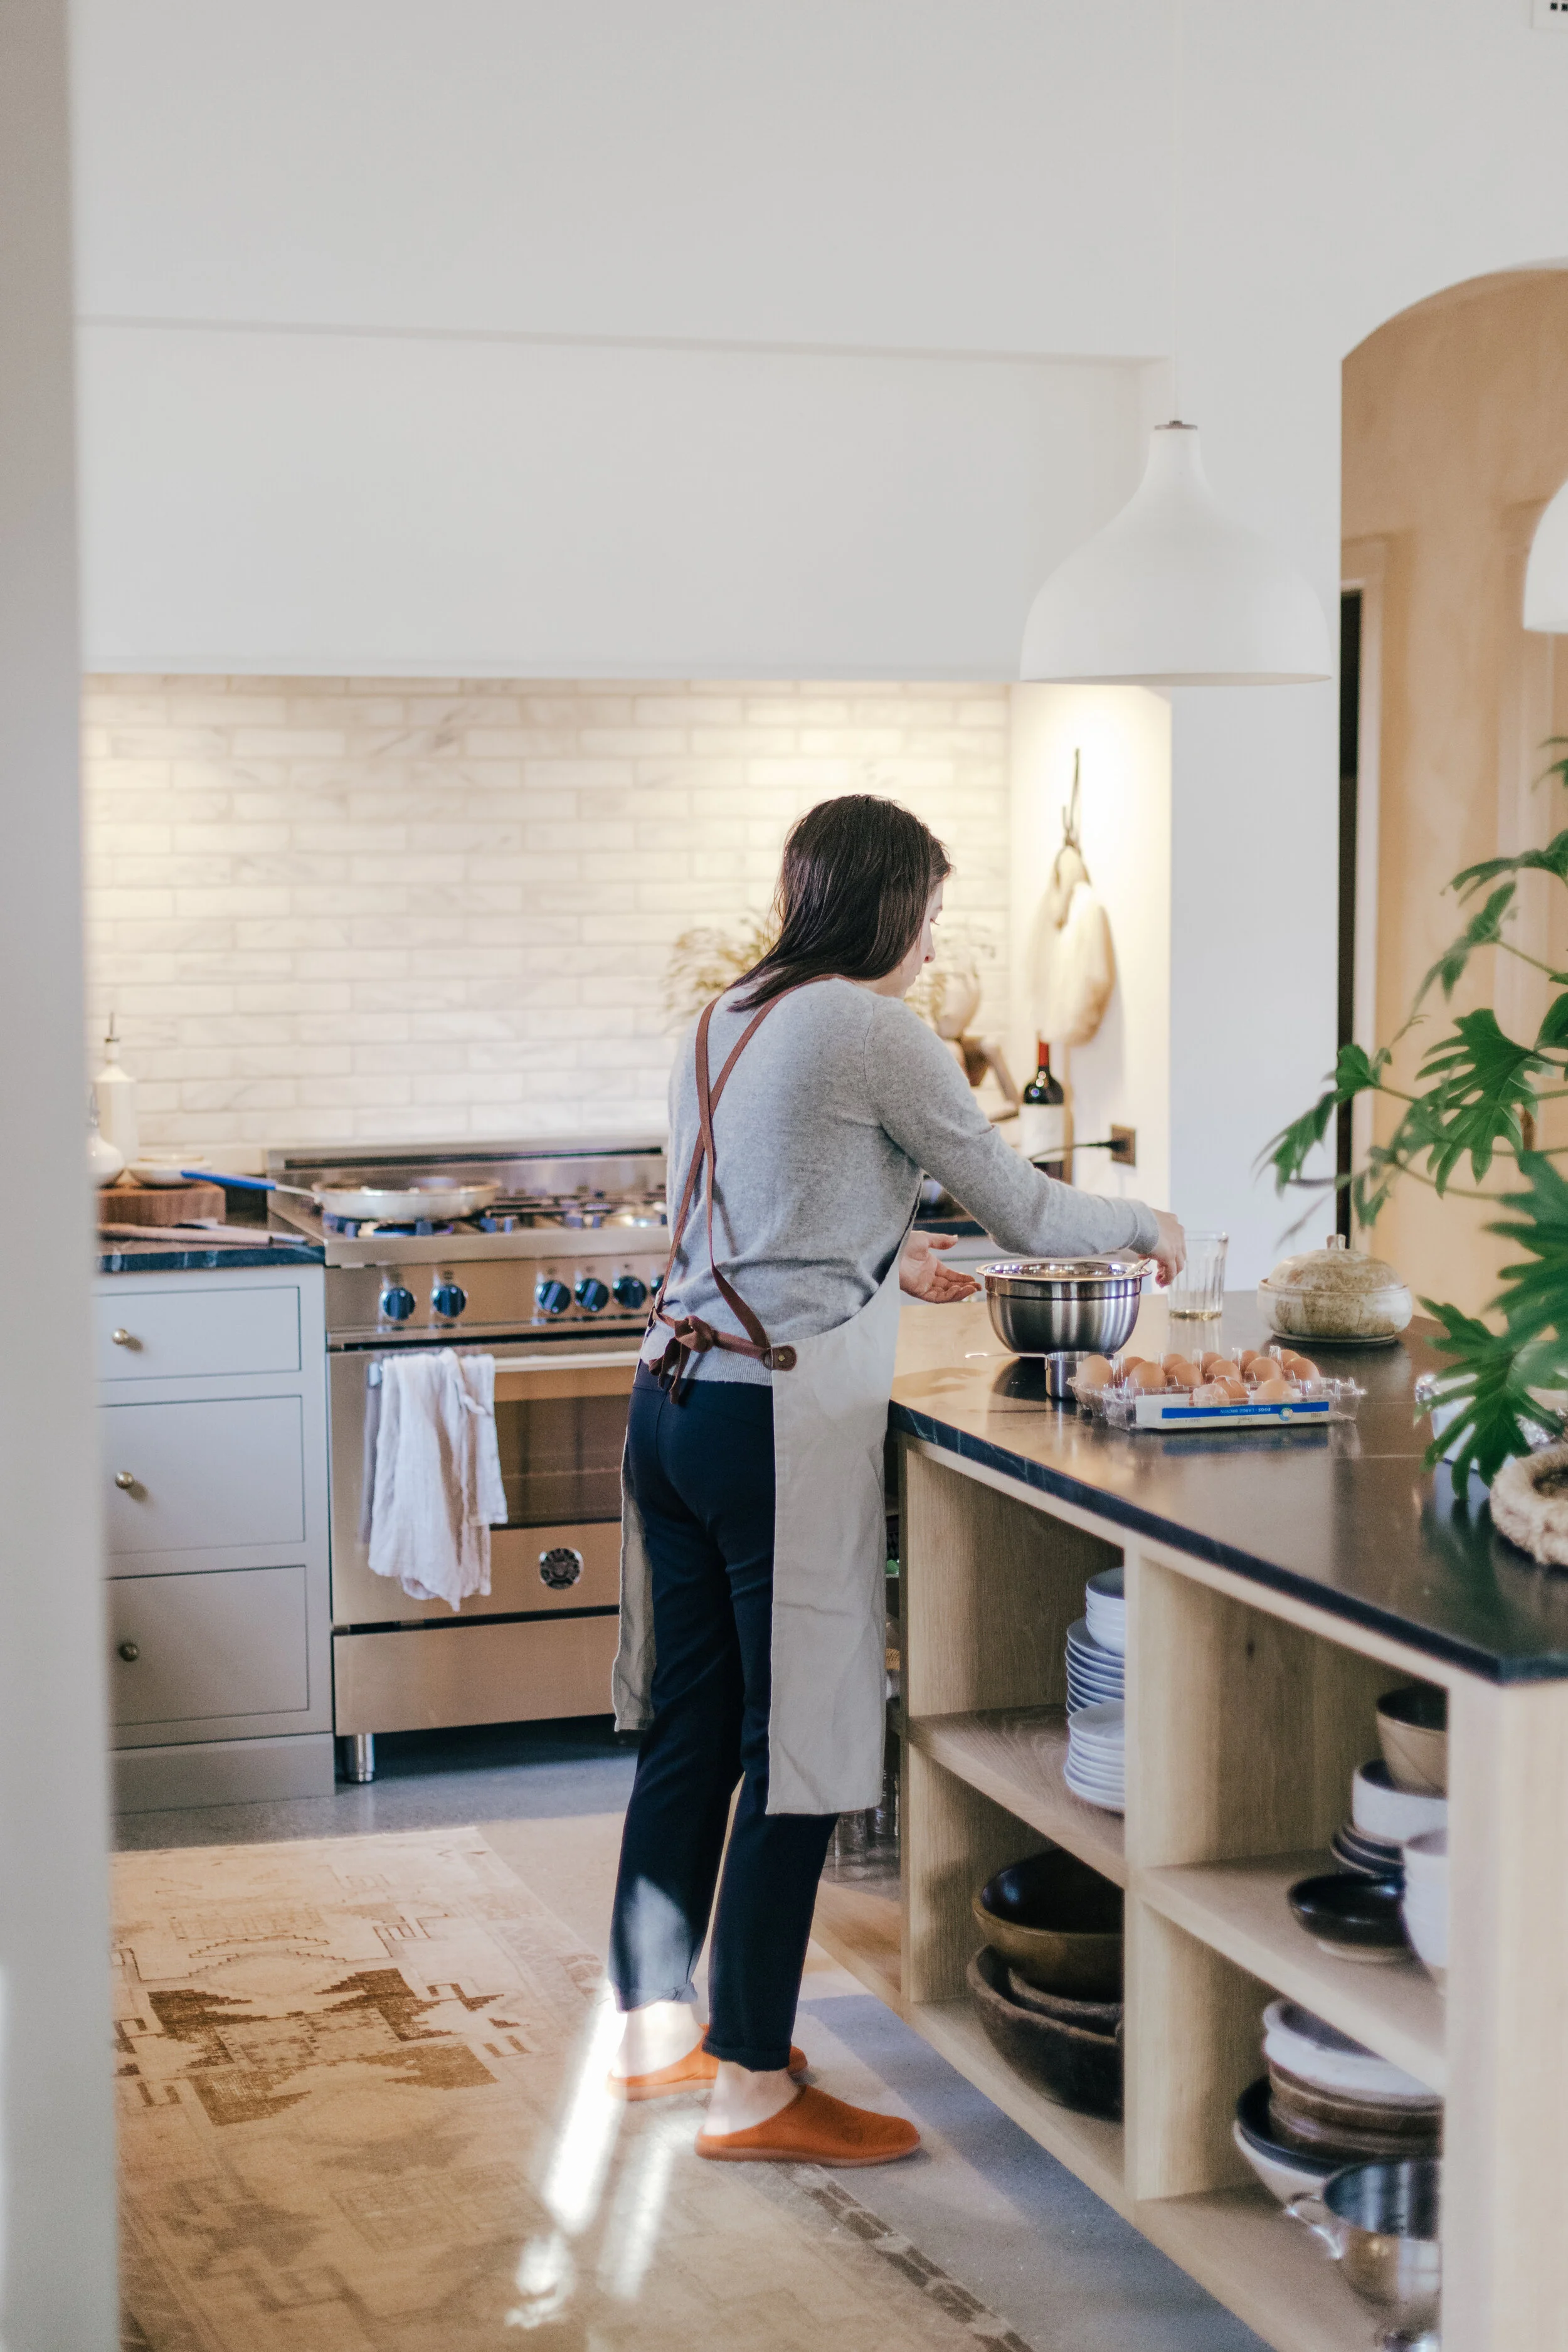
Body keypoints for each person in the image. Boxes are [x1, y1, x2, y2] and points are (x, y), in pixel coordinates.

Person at [605, 794, 1184, 2165]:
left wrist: (888, 1261)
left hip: (672, 1401)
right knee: (798, 1743)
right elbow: (1029, 1210)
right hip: (769, 1423)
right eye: (926, 915)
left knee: (692, 1728)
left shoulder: (722, 1014)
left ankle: (653, 2032)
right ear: (889, 909)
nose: (930, 944)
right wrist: (1148, 1221)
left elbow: (757, 1200)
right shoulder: (870, 1024)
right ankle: (750, 2081)